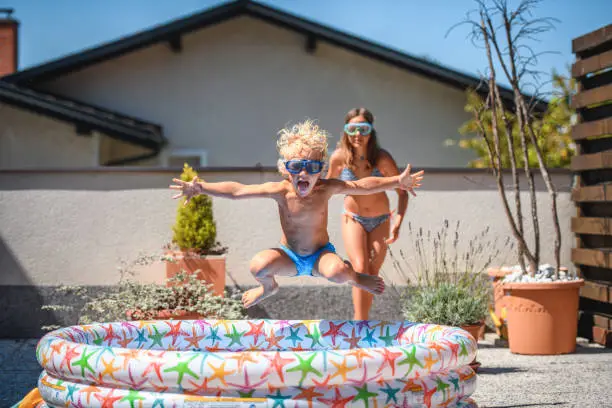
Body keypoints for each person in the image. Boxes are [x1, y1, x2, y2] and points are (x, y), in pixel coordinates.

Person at [170, 120, 423, 308]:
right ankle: (268, 288)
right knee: (258, 266)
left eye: (312, 167)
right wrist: (201, 187)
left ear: (321, 170)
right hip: (289, 257)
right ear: (285, 169)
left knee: (337, 273)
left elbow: (363, 185)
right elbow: (239, 191)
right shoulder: (281, 190)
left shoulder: (325, 189)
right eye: (296, 167)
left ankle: (355, 276)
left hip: (319, 257)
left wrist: (395, 182)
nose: (304, 174)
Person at [327, 108, 411, 320]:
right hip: (352, 218)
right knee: (360, 269)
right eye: (352, 128)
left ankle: (363, 319)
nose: (358, 134)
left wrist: (398, 223)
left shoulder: (381, 159)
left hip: (381, 219)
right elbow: (325, 189)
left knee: (372, 272)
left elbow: (402, 191)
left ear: (371, 131)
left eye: (363, 129)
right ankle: (360, 323)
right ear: (345, 131)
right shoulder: (339, 158)